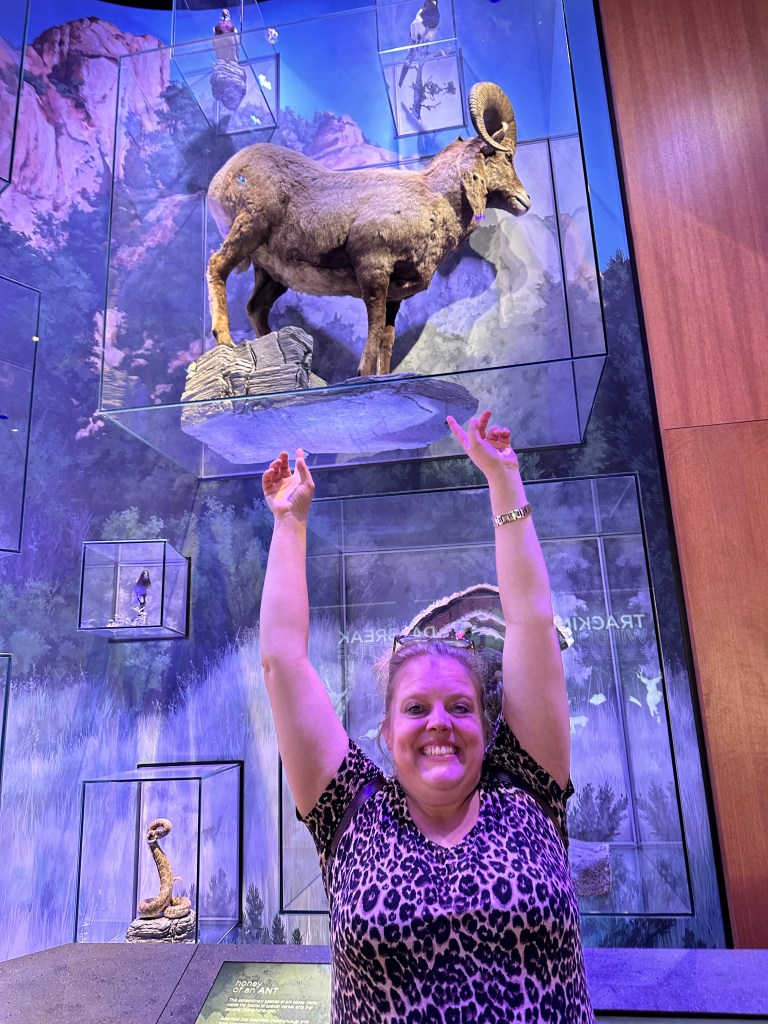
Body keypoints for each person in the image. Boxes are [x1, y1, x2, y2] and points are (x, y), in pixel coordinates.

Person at [260, 410, 595, 1024]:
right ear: (387, 733)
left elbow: (530, 620)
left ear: (487, 726)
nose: (439, 722)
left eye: (460, 707)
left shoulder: (528, 786)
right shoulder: (349, 811)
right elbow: (283, 660)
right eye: (416, 708)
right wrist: (289, 523)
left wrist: (504, 480)